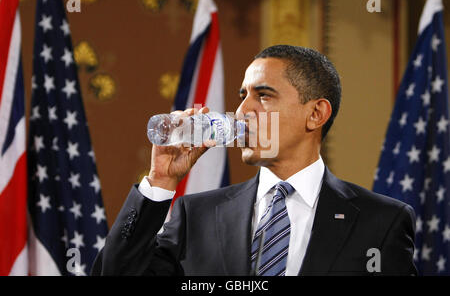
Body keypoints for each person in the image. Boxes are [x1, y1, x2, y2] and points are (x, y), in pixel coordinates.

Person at [91, 45, 417, 276]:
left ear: (316, 113)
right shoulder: (197, 216)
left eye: (263, 96)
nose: (244, 111)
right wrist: (160, 182)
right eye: (242, 96)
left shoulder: (381, 222)